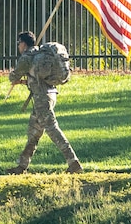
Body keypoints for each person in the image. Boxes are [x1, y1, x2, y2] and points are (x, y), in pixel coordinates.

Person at [9, 31, 81, 174]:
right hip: (49, 94)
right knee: (34, 132)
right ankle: (22, 165)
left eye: (19, 43)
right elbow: (37, 78)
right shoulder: (38, 54)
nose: (18, 46)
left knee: (52, 129)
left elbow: (13, 76)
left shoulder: (27, 57)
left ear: (23, 44)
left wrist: (14, 76)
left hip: (42, 99)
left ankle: (73, 162)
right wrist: (25, 81)